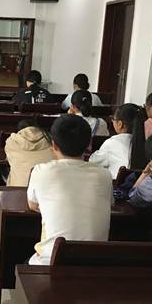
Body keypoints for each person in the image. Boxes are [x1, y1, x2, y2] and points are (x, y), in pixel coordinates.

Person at [27, 114, 113, 265]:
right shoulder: (104, 175)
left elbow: (32, 205)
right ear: (88, 145)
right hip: (95, 263)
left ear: (54, 145)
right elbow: (110, 204)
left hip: (52, 262)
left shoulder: (41, 171)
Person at [89, 103, 147, 179]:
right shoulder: (147, 143)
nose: (112, 121)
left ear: (120, 124)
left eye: (113, 118)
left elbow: (92, 162)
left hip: (116, 185)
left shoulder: (112, 143)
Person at [4, 119, 53, 186]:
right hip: (45, 187)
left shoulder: (12, 141)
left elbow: (8, 158)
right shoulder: (50, 140)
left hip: (18, 188)